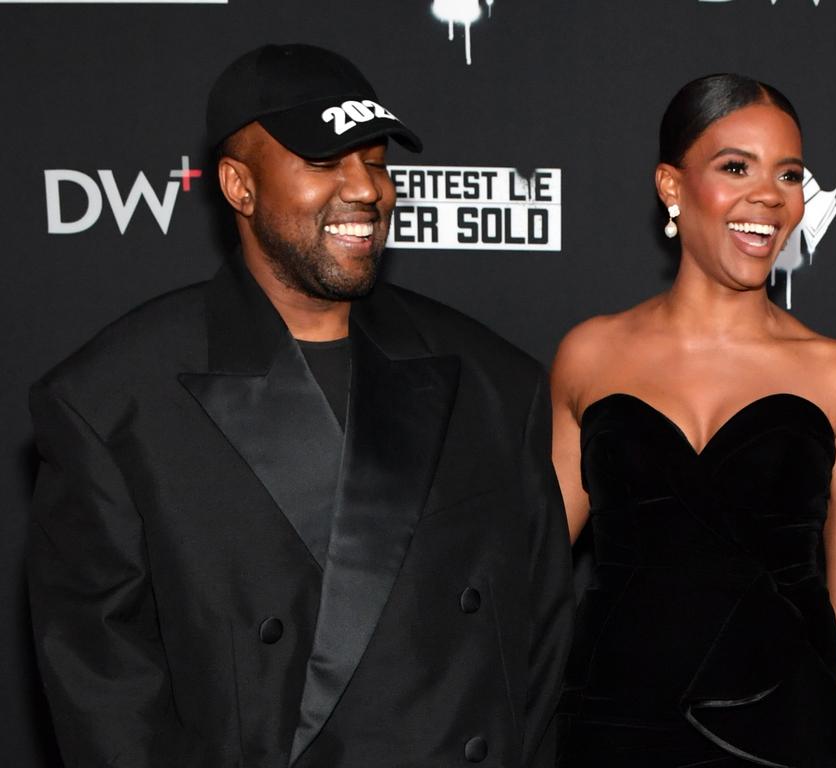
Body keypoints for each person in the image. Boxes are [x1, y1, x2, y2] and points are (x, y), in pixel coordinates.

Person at [28, 43, 573, 768]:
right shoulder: (114, 400)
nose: (367, 190)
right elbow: (107, 697)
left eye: (375, 161)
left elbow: (539, 646)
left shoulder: (496, 381)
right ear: (239, 186)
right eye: (325, 162)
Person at [550, 74, 836, 766]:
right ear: (672, 187)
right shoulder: (591, 354)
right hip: (614, 727)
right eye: (735, 167)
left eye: (789, 174)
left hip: (789, 730)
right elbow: (532, 565)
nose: (768, 195)